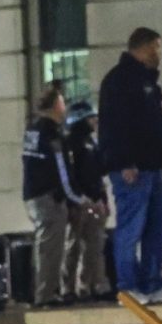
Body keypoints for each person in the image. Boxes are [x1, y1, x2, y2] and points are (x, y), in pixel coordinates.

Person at [98, 26, 162, 305]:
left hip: (152, 167)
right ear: (144, 48)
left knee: (159, 226)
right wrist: (124, 162)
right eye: (157, 47)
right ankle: (127, 286)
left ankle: (151, 283)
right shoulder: (121, 80)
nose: (159, 53)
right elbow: (115, 125)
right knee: (131, 227)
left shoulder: (144, 80)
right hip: (133, 168)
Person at [22, 84, 88, 306]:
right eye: (62, 103)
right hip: (48, 198)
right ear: (55, 106)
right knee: (51, 248)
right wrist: (78, 199)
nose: (65, 107)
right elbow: (61, 171)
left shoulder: (32, 130)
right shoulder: (50, 134)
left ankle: (45, 292)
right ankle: (46, 295)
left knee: (45, 247)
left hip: (34, 195)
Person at [63, 100, 110, 302]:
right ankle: (68, 288)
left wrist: (103, 199)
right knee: (72, 247)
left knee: (94, 247)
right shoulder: (70, 142)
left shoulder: (91, 142)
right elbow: (71, 175)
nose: (95, 121)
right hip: (78, 202)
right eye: (92, 117)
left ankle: (91, 286)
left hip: (95, 201)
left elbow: (98, 173)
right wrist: (78, 199)